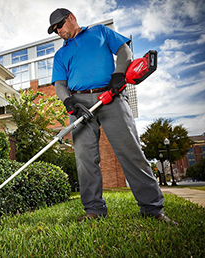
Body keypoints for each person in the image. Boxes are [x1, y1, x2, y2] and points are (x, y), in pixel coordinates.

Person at [48, 8, 176, 224]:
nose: (58, 31)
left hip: (112, 97)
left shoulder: (99, 32)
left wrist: (118, 75)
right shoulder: (61, 54)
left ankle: (153, 209)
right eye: (54, 30)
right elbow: (60, 84)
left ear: (71, 17)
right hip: (80, 104)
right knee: (85, 160)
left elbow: (124, 51)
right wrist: (69, 102)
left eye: (60, 25)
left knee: (130, 151)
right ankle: (94, 210)